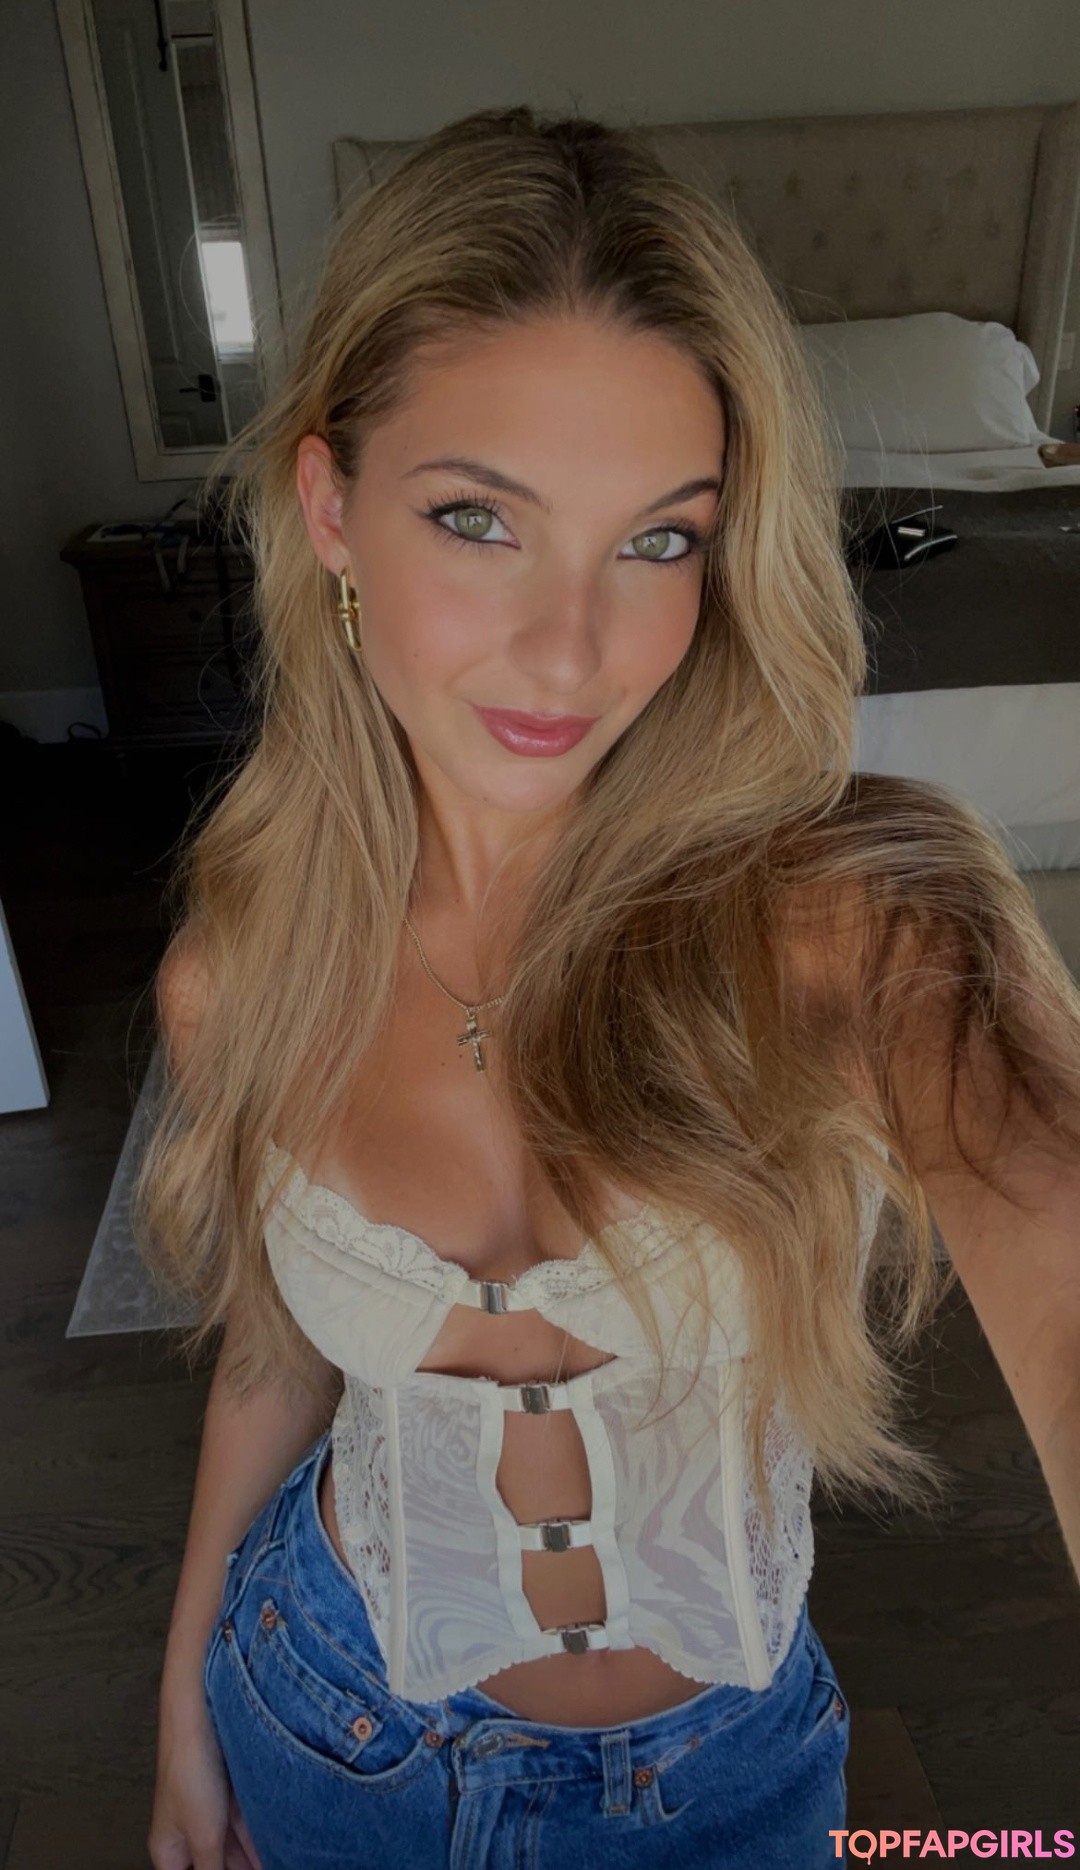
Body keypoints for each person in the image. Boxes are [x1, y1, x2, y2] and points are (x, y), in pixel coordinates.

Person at [141, 106, 1080, 1870]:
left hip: (732, 1782)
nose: (571, 650)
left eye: (659, 540)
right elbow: (275, 1351)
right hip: (325, 1720)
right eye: (478, 518)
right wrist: (185, 1689)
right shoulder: (239, 976)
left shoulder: (853, 927)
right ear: (330, 508)